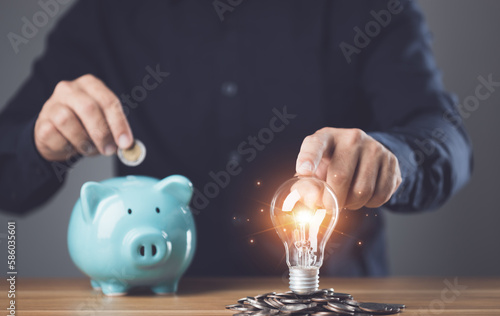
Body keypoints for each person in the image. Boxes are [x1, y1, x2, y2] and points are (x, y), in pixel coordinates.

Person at [0, 0, 472, 277]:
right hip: (159, 312)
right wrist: (41, 143)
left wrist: (395, 158)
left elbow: (442, 132)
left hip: (333, 309)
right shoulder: (107, 14)